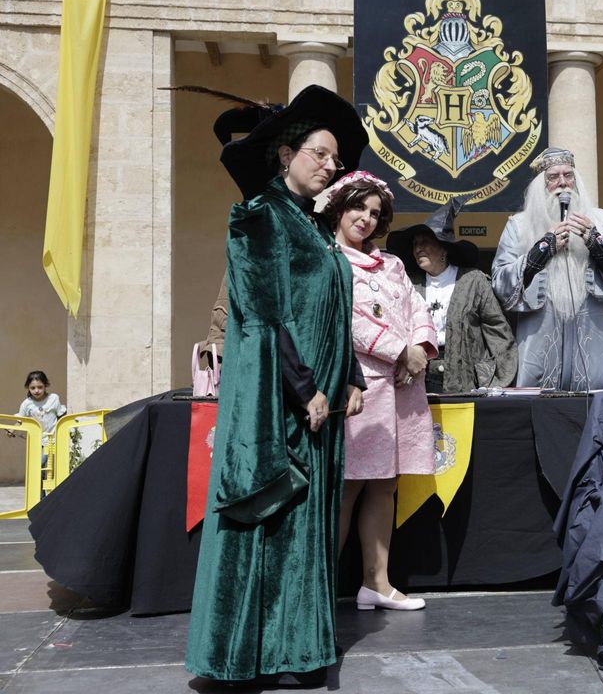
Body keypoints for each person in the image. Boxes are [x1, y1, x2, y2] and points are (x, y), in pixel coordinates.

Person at [186, 85, 368, 686]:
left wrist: (350, 377)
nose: (330, 166)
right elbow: (264, 313)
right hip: (279, 400)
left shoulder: (315, 227)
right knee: (268, 518)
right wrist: (305, 387)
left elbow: (331, 308)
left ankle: (297, 649)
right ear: (286, 153)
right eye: (320, 154)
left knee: (304, 527)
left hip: (319, 400)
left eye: (336, 160)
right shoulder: (259, 214)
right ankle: (244, 656)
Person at [324, 170, 436, 612]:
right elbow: (344, 321)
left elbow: (416, 305)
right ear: (339, 207)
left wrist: (422, 349)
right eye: (358, 208)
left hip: (403, 388)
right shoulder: (327, 259)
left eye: (375, 212)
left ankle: (377, 582)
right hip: (360, 388)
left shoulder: (391, 264)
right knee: (348, 487)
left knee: (385, 485)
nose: (367, 219)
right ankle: (319, 589)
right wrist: (400, 351)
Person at [492, 147, 603, 390]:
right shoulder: (518, 226)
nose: (563, 183)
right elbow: (500, 282)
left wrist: (597, 244)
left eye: (568, 175)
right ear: (541, 184)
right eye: (553, 177)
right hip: (540, 344)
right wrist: (540, 252)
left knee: (595, 414)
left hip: (594, 346)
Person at [387, 198, 517, 393]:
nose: (417, 248)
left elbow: (497, 330)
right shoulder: (409, 284)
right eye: (415, 244)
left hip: (464, 378)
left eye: (425, 242)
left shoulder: (474, 281)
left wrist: (493, 379)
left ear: (444, 248)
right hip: (418, 377)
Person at [18, 371, 67, 466]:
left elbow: (61, 414)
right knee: (36, 466)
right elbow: (20, 421)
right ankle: (40, 481)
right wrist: (11, 431)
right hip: (35, 440)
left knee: (40, 463)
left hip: (50, 439)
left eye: (40, 387)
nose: (36, 390)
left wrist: (64, 434)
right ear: (28, 387)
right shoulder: (26, 404)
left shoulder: (53, 398)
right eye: (33, 388)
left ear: (46, 385)